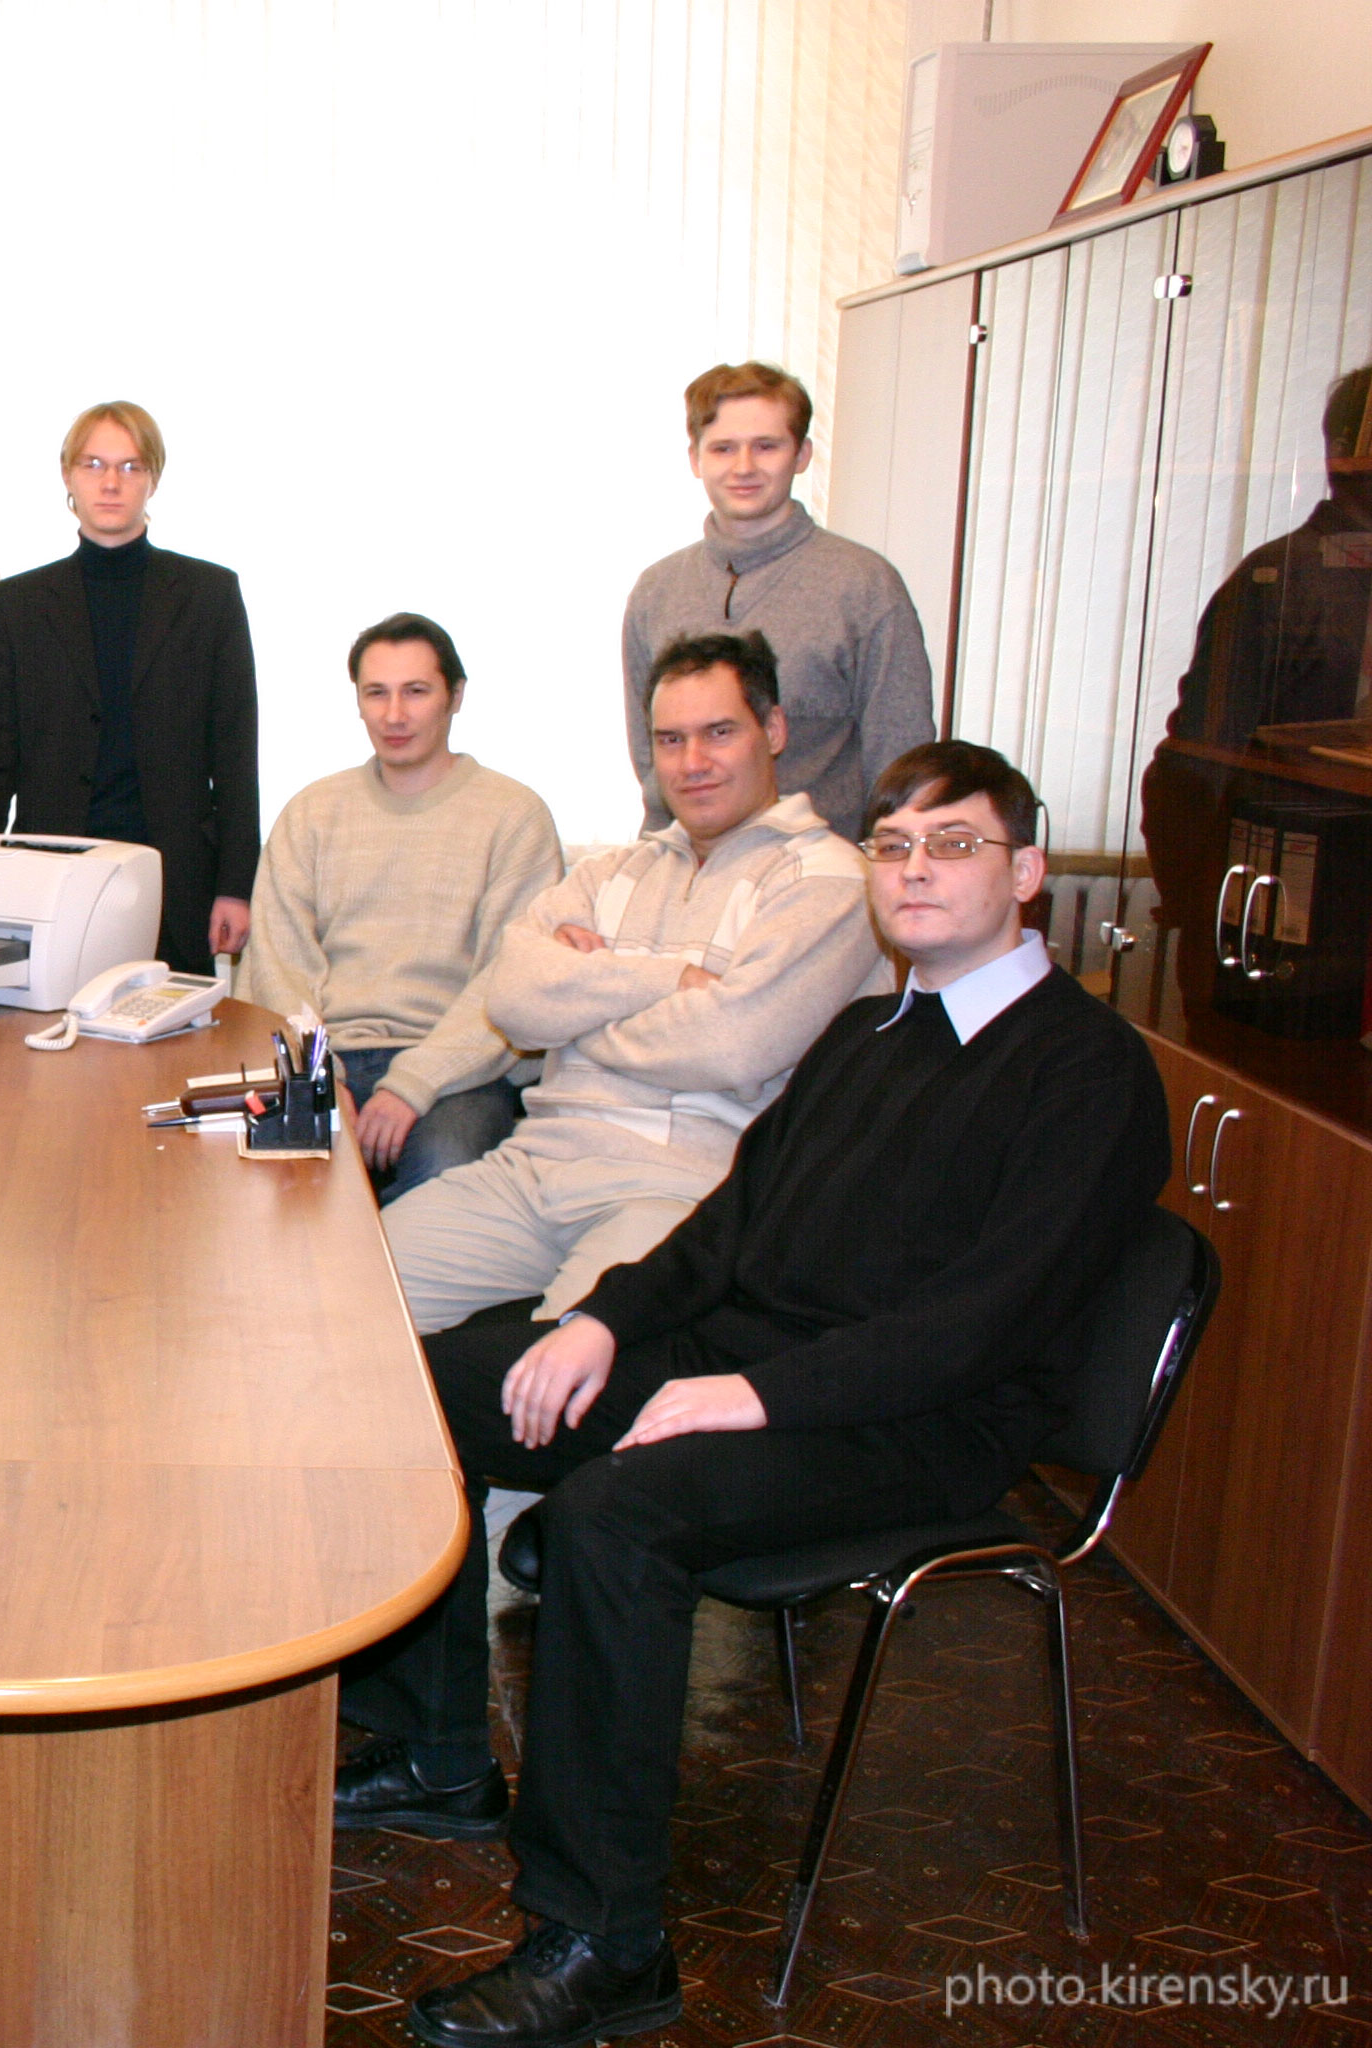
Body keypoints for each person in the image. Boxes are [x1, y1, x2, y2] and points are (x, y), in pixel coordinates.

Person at [348, 739, 1168, 2048]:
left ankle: (604, 1943)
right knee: (423, 1385)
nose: (914, 871)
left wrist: (752, 1396)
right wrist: (606, 1322)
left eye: (953, 844)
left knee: (616, 1514)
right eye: (893, 846)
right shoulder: (868, 1033)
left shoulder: (1088, 1071)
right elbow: (731, 1228)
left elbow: (979, 1324)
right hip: (763, 1362)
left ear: (1026, 873)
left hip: (920, 1423)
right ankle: (437, 1752)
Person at [382, 632, 885, 1333]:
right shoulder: (610, 872)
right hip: (533, 1168)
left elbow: (732, 1045)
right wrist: (673, 981)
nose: (692, 763)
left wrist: (579, 1016)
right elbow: (513, 1001)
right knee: (329, 1302)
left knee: (551, 1373)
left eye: (718, 733)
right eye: (670, 740)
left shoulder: (830, 879)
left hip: (684, 1191)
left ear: (773, 730)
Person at [238, 613, 565, 1202]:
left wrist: (412, 1085)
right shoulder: (312, 812)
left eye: (416, 692)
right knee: (265, 1187)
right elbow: (278, 965)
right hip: (330, 1057)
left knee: (442, 1174)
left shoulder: (515, 816)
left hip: (457, 1071)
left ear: (455, 697)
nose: (394, 715)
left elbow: (509, 979)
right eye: (376, 693)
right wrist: (319, 1080)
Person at [0, 399, 261, 976]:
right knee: (50, 1028)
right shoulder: (19, 605)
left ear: (153, 479)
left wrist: (235, 886)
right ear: (68, 476)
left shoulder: (210, 595)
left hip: (177, 876)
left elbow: (235, 753)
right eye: (94, 464)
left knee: (173, 1029)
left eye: (130, 466)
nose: (111, 482)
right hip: (50, 876)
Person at [622, 361, 935, 840]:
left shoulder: (865, 585)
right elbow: (652, 760)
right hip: (687, 865)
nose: (744, 467)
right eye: (723, 448)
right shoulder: (656, 591)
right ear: (695, 459)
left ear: (802, 454)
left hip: (823, 867)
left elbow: (900, 760)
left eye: (766, 446)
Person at [1141, 364, 1372, 1005]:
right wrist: (1202, 919)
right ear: (1344, 455)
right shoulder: (1282, 582)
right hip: (1276, 939)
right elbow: (1195, 768)